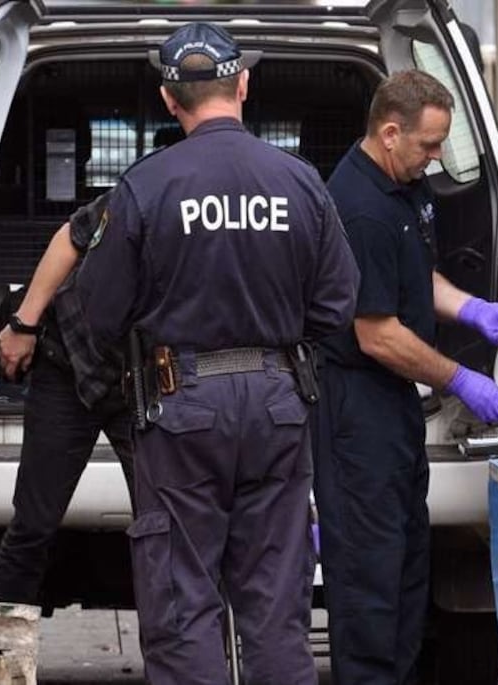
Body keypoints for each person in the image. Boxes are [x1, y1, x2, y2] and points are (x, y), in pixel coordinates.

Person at [71, 22, 359, 684]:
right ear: (244, 85)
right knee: (276, 606)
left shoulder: (144, 186)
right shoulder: (300, 181)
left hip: (182, 405)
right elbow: (338, 304)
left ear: (170, 100)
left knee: (182, 605)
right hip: (279, 401)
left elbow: (101, 310)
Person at [313, 69, 498, 684]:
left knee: (406, 566)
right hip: (354, 406)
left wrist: (473, 310)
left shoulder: (402, 187)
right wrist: (461, 379)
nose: (435, 160)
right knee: (370, 578)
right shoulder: (359, 209)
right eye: (429, 146)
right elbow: (375, 333)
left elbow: (415, 279)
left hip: (394, 404)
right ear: (390, 132)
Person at [0, 125, 185, 607]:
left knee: (165, 527)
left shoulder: (215, 218)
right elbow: (70, 237)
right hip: (68, 364)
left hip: (143, 378)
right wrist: (24, 324)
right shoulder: (135, 194)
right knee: (32, 525)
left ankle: (179, 660)